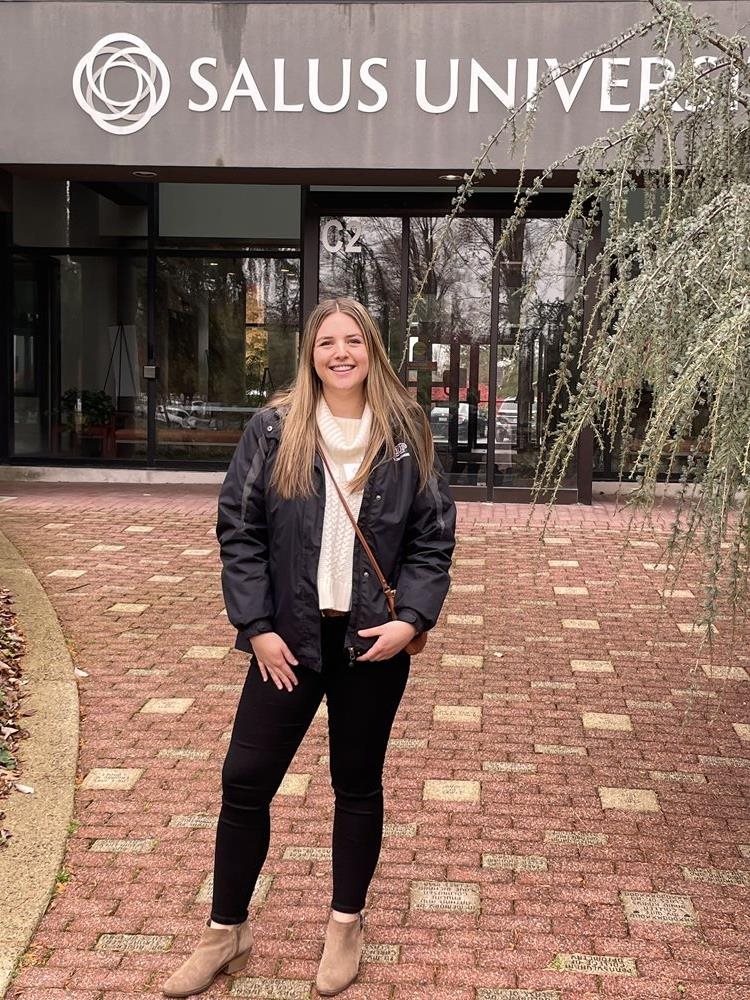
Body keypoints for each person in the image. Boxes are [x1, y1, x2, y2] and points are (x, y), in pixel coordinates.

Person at [162, 297, 456, 998]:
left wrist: (411, 620)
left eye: (354, 341)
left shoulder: (405, 431)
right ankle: (225, 930)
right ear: (311, 353)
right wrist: (257, 627)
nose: (342, 353)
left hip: (368, 643)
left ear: (372, 350)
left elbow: (432, 537)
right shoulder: (273, 429)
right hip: (287, 639)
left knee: (356, 784)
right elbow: (241, 532)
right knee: (244, 780)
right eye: (328, 342)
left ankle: (345, 924)